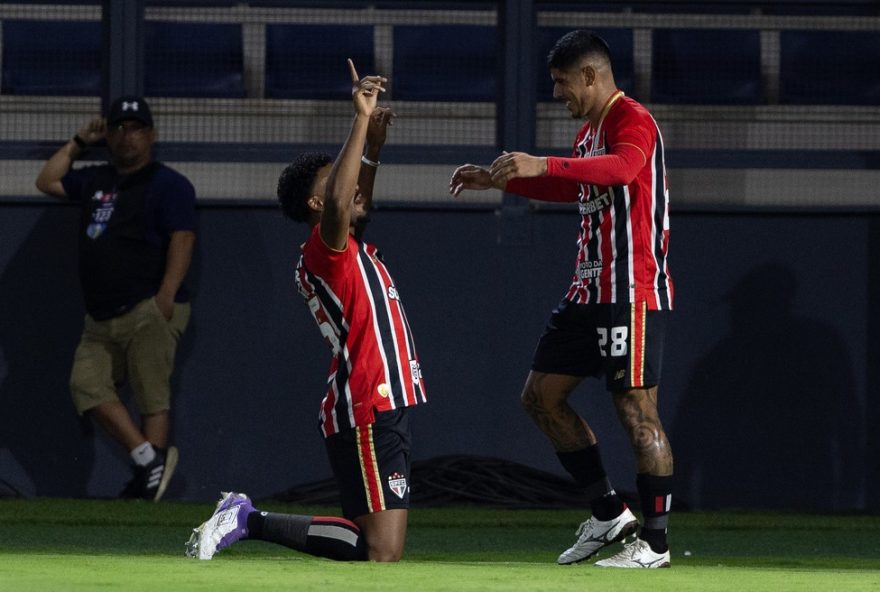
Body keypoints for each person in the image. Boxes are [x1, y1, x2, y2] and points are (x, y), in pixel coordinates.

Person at [185, 60, 426, 563]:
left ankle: (245, 516)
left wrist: (374, 152)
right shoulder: (324, 248)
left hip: (382, 401)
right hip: (367, 404)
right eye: (337, 181)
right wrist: (360, 120)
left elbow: (355, 202)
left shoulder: (345, 248)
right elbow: (345, 204)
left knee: (374, 547)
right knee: (383, 550)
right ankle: (247, 519)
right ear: (317, 204)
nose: (351, 186)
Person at [449, 30, 674, 568]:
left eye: (560, 82)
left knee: (636, 409)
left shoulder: (631, 120)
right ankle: (607, 513)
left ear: (591, 75)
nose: (556, 93)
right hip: (587, 289)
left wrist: (541, 162)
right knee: (539, 398)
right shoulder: (586, 135)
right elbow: (577, 186)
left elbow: (623, 169)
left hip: (630, 290)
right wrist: (499, 182)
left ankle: (657, 544)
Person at [35, 96, 195, 501]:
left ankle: (148, 488)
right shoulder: (96, 180)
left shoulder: (169, 184)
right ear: (107, 134)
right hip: (100, 316)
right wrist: (77, 142)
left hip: (148, 307)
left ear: (151, 136)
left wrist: (166, 295)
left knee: (151, 394)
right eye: (119, 127)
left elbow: (183, 237)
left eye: (136, 127)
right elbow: (47, 180)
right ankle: (148, 462)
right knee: (86, 384)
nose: (127, 136)